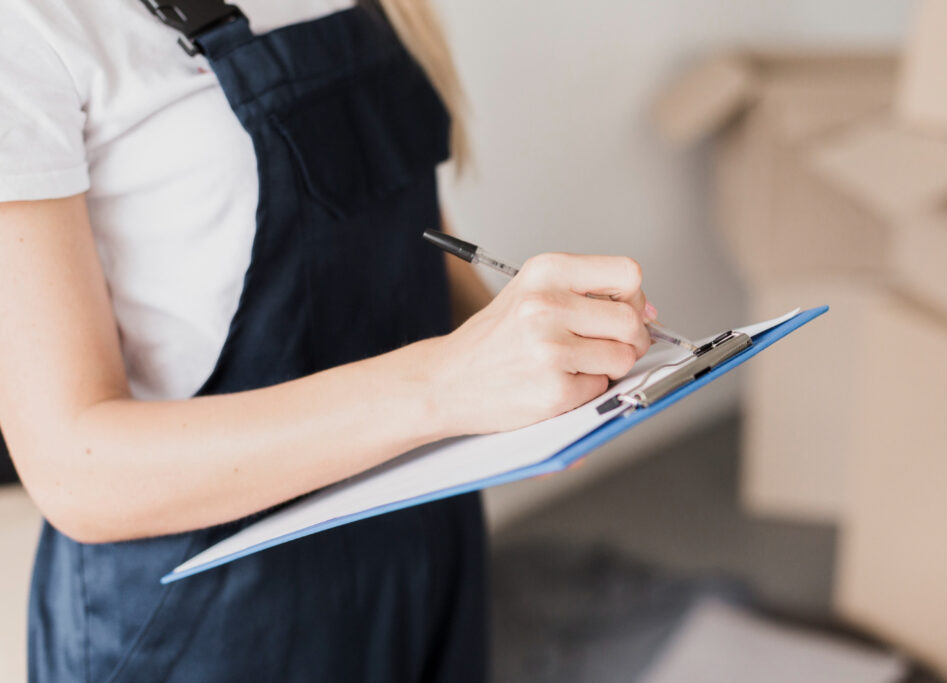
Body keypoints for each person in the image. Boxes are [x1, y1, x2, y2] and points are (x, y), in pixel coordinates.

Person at [0, 1, 654, 680]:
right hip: (211, 621)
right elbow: (73, 467)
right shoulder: (29, 26)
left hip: (422, 560)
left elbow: (410, 242)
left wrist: (545, 369)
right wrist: (448, 381)